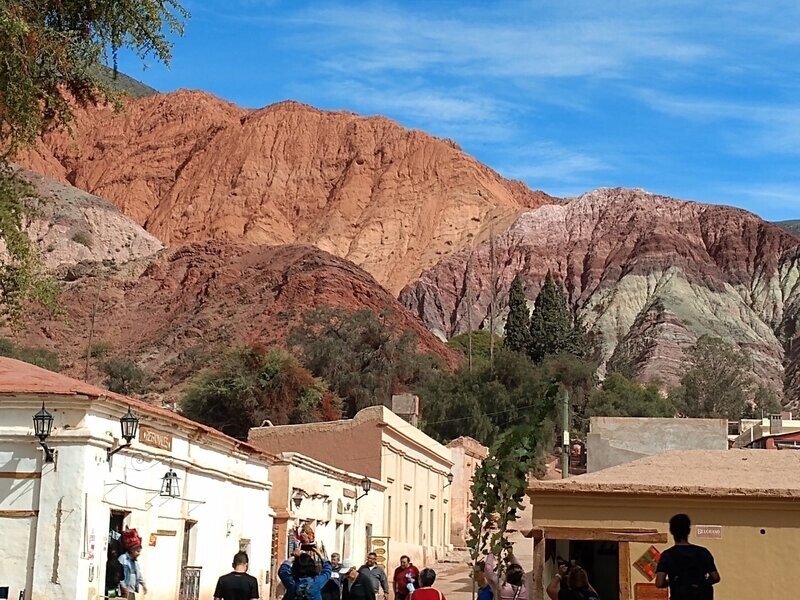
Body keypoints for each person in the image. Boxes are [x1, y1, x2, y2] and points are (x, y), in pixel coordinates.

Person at [656, 514, 720, 600]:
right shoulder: (703, 552)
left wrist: (673, 582)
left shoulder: (667, 555)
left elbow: (659, 583)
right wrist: (701, 583)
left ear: (671, 531)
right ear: (688, 531)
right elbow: (715, 577)